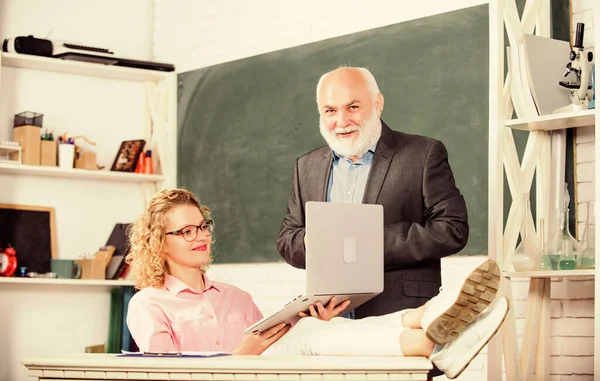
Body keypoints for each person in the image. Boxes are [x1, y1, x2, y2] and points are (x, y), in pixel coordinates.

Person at [125, 189, 508, 380]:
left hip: (271, 375)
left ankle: (428, 334)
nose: (200, 236)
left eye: (203, 226)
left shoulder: (234, 296)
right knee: (309, 334)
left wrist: (307, 319)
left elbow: (277, 346)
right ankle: (435, 327)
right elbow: (165, 378)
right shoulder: (149, 304)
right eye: (186, 231)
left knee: (316, 328)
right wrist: (244, 352)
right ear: (159, 242)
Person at [277, 66, 469, 319]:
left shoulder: (423, 153)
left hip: (402, 314)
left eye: (353, 107)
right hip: (330, 318)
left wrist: (365, 241)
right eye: (330, 111)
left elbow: (452, 229)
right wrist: (311, 241)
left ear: (378, 104)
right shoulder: (306, 166)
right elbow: (287, 238)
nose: (342, 121)